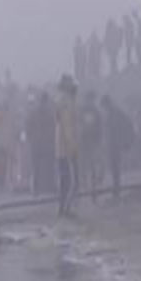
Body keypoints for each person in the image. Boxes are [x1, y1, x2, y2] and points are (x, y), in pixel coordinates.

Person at [101, 95, 135, 199]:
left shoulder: (114, 113)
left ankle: (117, 190)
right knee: (114, 168)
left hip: (114, 144)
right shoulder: (115, 112)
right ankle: (116, 189)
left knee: (115, 167)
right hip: (114, 143)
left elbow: (114, 129)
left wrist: (125, 141)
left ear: (107, 104)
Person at [55, 74, 79, 216]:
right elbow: (68, 127)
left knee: (65, 180)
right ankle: (65, 209)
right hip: (67, 148)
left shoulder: (60, 100)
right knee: (70, 181)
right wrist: (73, 148)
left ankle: (63, 208)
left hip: (61, 147)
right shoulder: (67, 102)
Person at [26, 92, 56, 195]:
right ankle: (38, 188)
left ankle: (43, 188)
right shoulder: (41, 113)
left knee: (44, 167)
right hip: (41, 144)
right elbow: (28, 127)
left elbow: (53, 127)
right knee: (38, 167)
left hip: (42, 143)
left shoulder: (45, 113)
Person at [79, 91, 103, 202]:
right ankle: (88, 186)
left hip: (88, 140)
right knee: (88, 164)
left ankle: (89, 186)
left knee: (89, 164)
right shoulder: (92, 111)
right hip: (88, 141)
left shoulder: (89, 111)